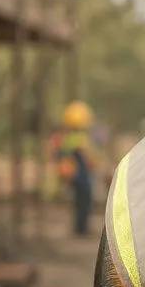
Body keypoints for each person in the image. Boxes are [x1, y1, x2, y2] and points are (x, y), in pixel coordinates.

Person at [55, 101, 95, 237]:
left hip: (75, 176)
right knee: (84, 202)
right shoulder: (79, 138)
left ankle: (79, 228)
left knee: (79, 203)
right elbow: (87, 158)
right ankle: (81, 229)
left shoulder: (67, 138)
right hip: (81, 176)